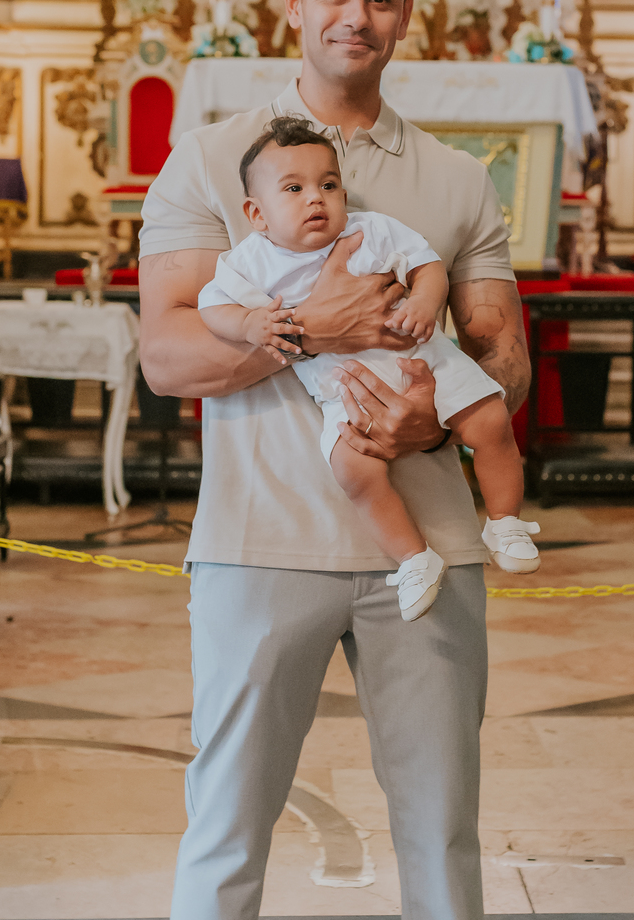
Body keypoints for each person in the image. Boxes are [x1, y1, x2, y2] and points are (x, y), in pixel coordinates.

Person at [124, 0, 537, 920]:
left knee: (440, 822)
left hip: (432, 542)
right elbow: (169, 354)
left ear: (408, 15)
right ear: (291, 6)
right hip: (258, 541)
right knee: (228, 820)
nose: (357, 16)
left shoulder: (459, 181)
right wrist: (305, 331)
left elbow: (502, 351)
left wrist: (442, 410)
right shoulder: (211, 167)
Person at [197, 114, 541, 619]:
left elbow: (426, 266)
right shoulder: (251, 263)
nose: (316, 198)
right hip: (346, 390)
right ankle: (412, 558)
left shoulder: (368, 230)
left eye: (328, 185)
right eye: (293, 188)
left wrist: (425, 301)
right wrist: (251, 325)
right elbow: (211, 305)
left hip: (424, 362)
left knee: (490, 420)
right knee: (354, 471)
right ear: (257, 213)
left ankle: (504, 520)